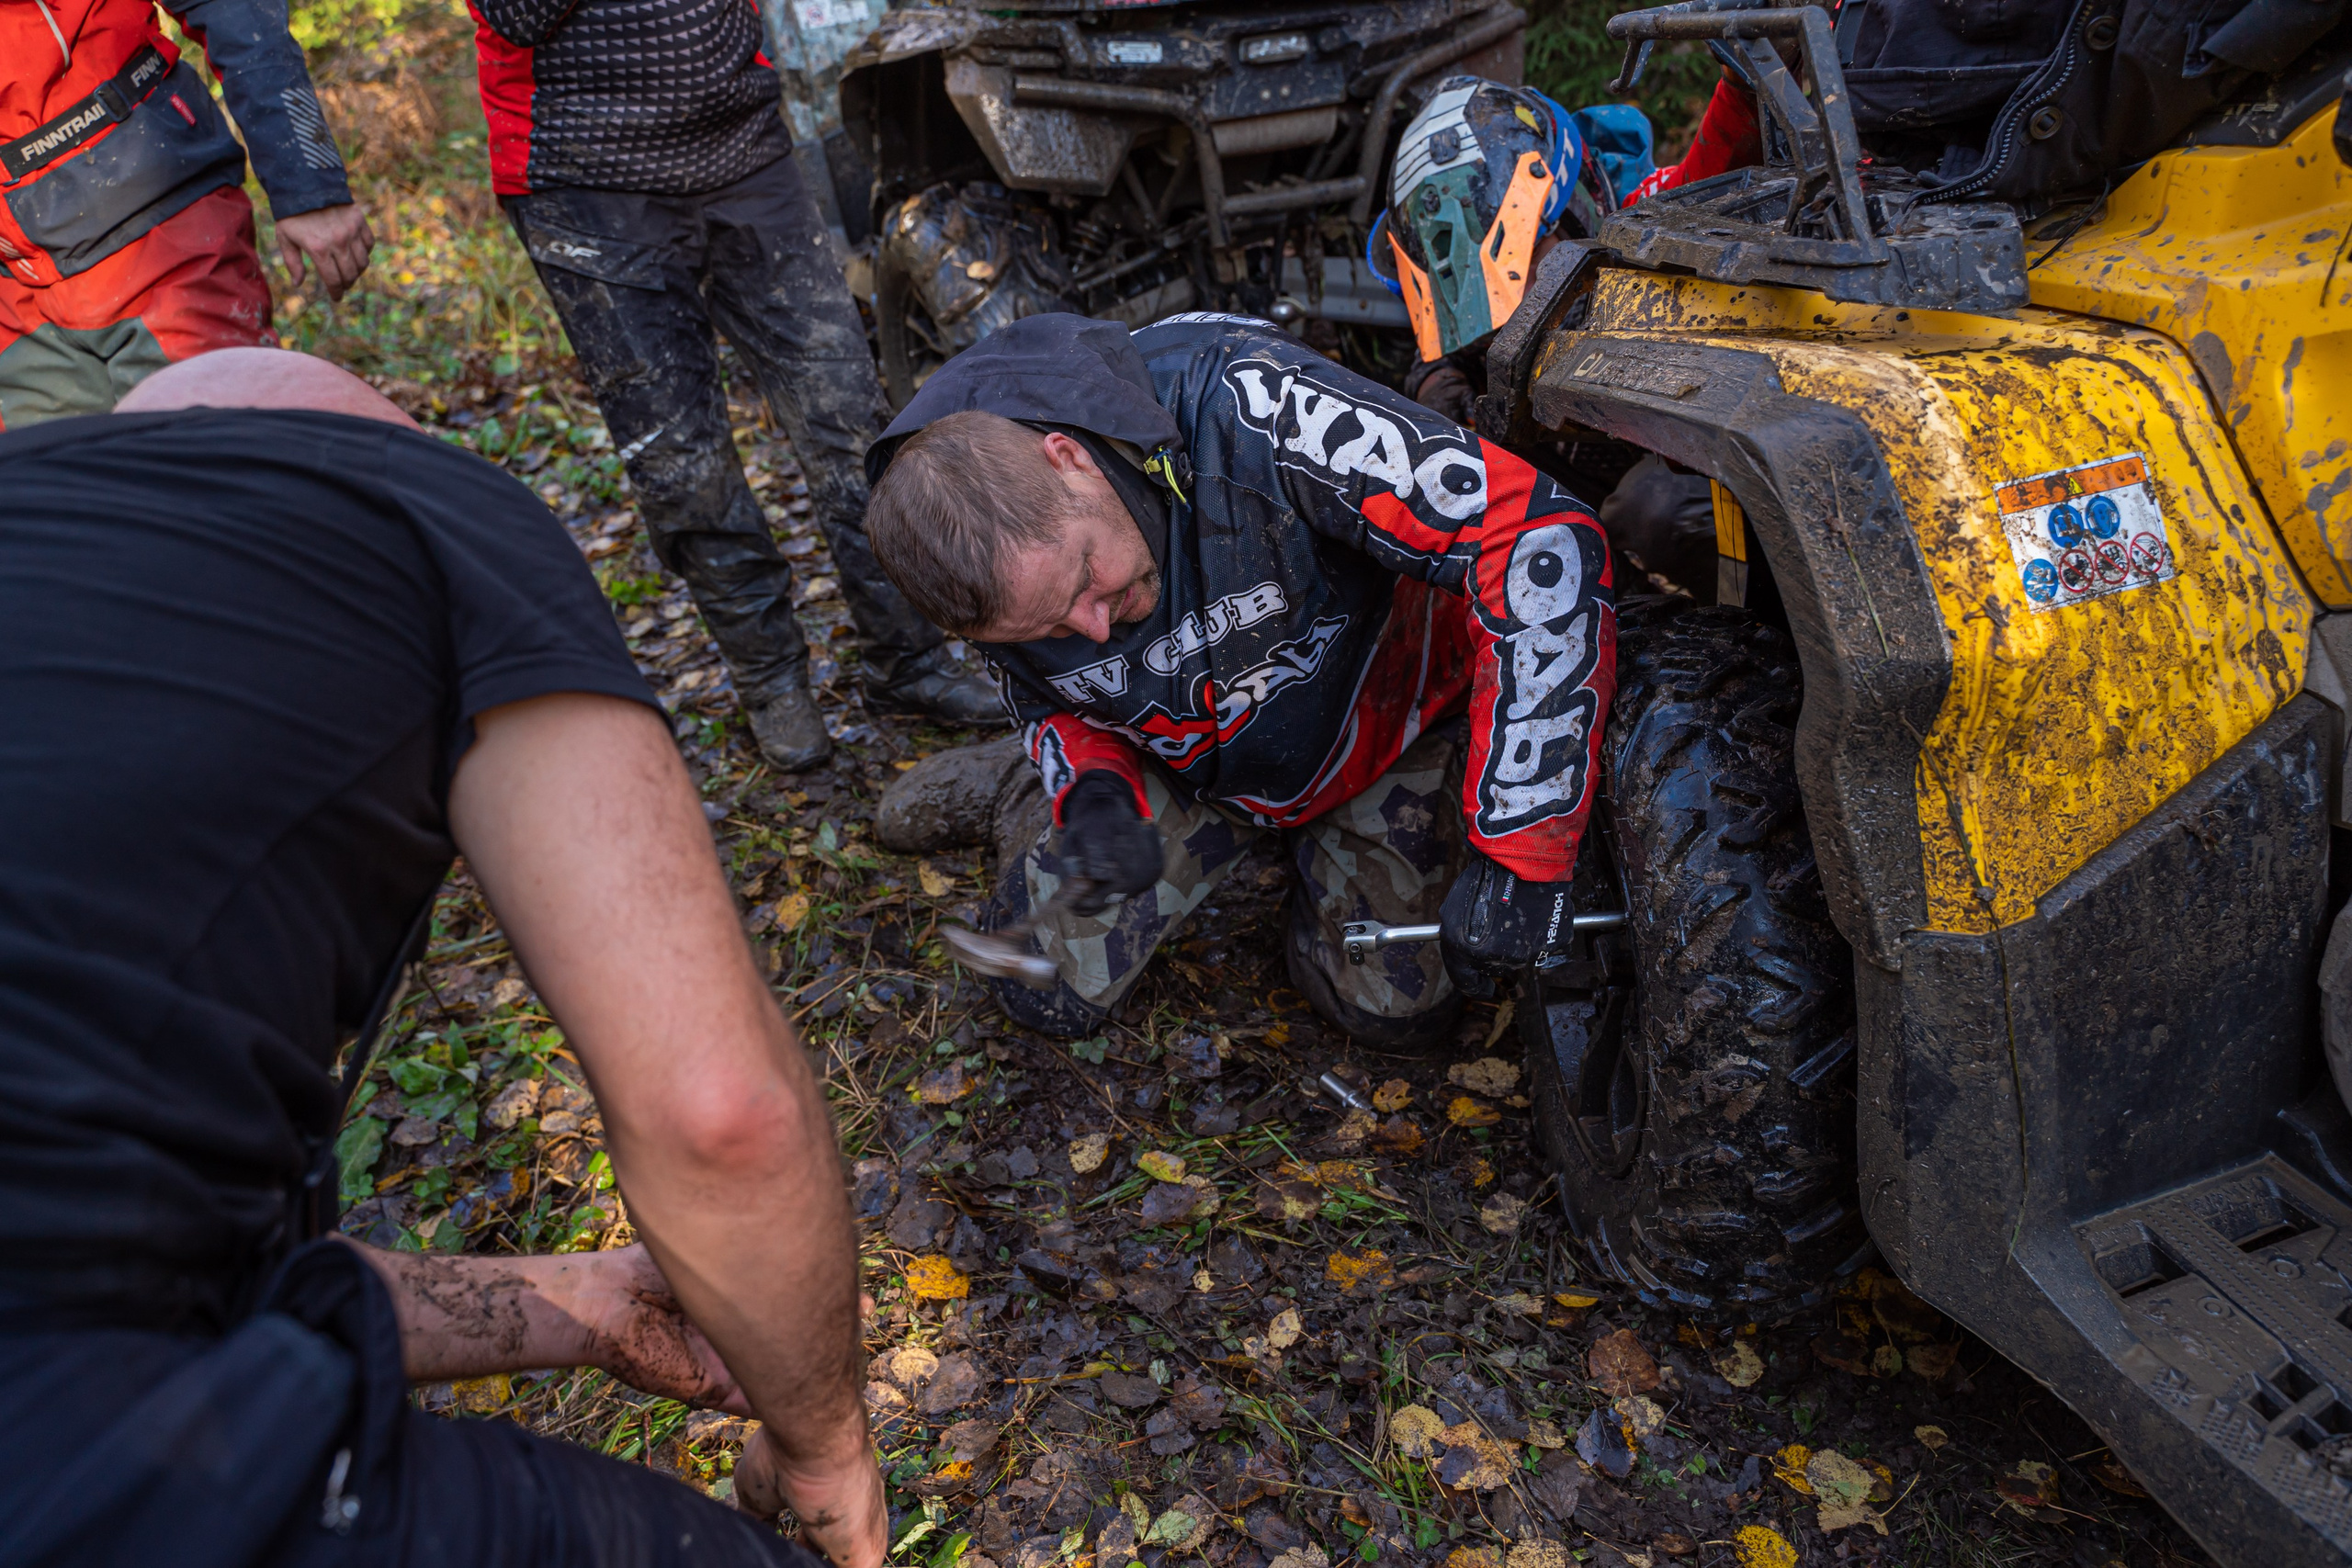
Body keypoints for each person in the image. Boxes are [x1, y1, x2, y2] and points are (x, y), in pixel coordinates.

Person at [0, 348, 882, 1565]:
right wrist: (826, 1445)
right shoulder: (410, 508)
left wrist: (575, 1305)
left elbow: (142, 1240)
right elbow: (720, 1111)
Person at [864, 314, 1616, 1050]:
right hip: (1184, 762)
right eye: (1052, 629)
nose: (1094, 628)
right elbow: (1047, 700)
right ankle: (1032, 797)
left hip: (1383, 719)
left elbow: (1539, 538)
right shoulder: (986, 577)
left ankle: (1323, 850)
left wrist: (1523, 843)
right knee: (1042, 990)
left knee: (1394, 1015)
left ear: (1070, 458)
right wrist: (1091, 792)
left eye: (1089, 577)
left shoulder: (1253, 404)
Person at [464, 0, 999, 772]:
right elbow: (519, 13)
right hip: (582, 180)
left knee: (850, 414)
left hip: (743, 153)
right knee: (683, 462)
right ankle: (771, 678)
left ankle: (908, 659)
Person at [0, 0, 374, 428]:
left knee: (219, 464)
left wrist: (308, 183)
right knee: (47, 490)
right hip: (15, 297)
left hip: (162, 228)